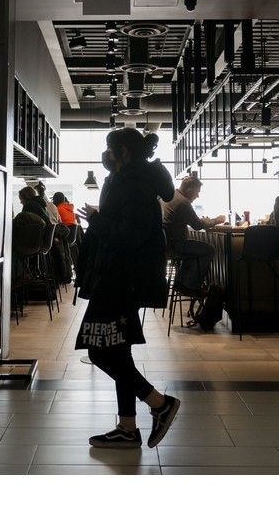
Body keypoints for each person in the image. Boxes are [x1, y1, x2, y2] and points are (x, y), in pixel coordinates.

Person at [75, 128, 181, 449]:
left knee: (100, 350)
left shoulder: (133, 184)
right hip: (122, 277)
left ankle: (160, 403)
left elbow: (128, 236)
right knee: (118, 351)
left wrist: (96, 218)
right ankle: (127, 428)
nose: (104, 156)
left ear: (122, 151)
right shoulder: (131, 179)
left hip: (122, 279)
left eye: (109, 150)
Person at [161, 176, 225, 291]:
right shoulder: (183, 202)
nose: (198, 196)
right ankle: (191, 286)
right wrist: (217, 220)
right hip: (177, 244)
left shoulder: (169, 197)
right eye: (197, 192)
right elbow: (197, 225)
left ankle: (180, 282)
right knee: (209, 250)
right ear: (190, 190)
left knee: (192, 252)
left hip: (168, 244)